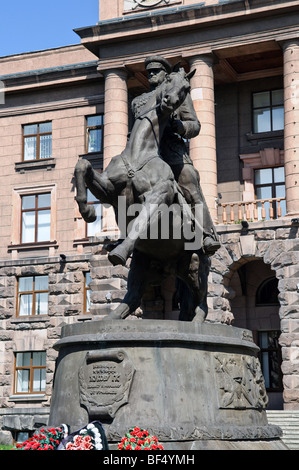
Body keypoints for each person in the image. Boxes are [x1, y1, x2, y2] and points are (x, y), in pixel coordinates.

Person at [131, 55, 220, 255]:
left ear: (166, 74)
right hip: (145, 155)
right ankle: (125, 233)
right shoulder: (138, 101)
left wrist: (180, 126)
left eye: (156, 71)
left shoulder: (179, 94)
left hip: (172, 153)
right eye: (149, 72)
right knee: (124, 183)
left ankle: (206, 235)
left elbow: (195, 125)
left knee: (190, 184)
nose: (152, 74)